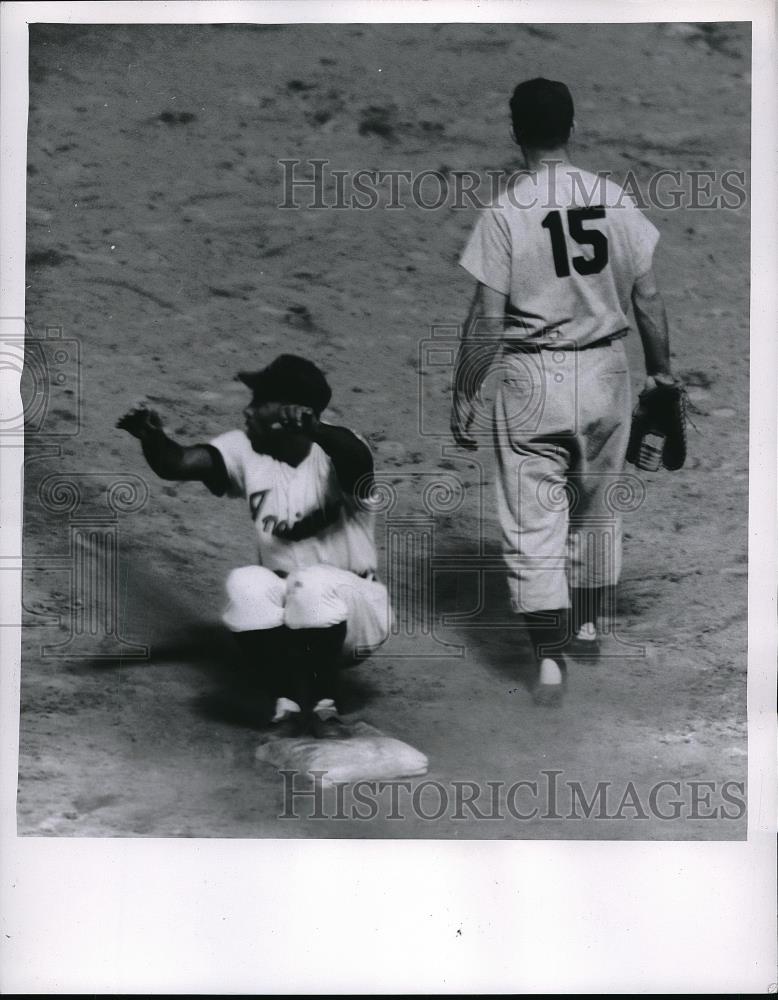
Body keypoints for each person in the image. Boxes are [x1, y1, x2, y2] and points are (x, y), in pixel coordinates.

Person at [451, 77, 681, 705]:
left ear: (516, 132)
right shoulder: (613, 198)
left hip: (532, 378)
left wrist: (465, 390)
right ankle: (586, 626)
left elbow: (487, 321)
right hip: (607, 371)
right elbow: (648, 298)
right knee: (596, 507)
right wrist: (662, 373)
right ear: (572, 128)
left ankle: (550, 661)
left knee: (533, 519)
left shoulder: (505, 212)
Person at [118, 354, 390, 737]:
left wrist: (315, 429)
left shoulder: (336, 454)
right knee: (246, 583)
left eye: (259, 402)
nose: (247, 410)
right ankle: (287, 706)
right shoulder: (245, 450)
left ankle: (325, 707)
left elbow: (355, 456)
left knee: (312, 583)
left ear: (291, 412)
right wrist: (151, 437)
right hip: (294, 619)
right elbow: (177, 463)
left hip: (357, 617)